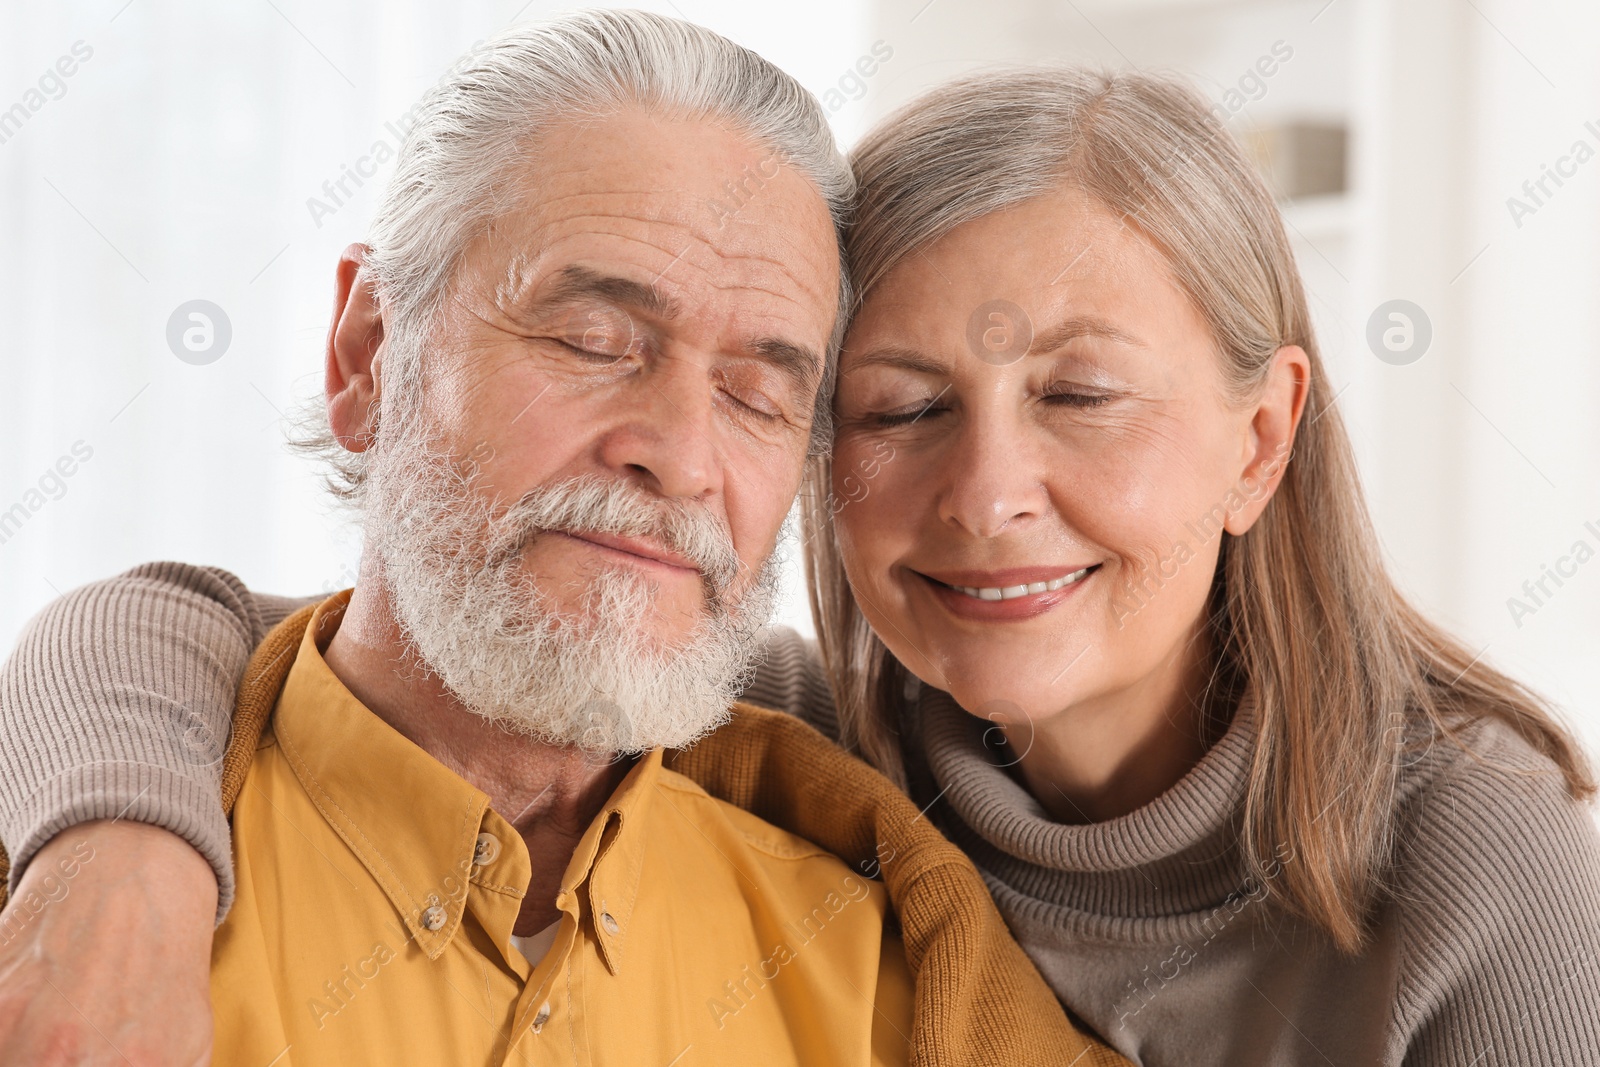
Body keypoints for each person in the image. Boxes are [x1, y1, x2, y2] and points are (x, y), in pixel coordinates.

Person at [7, 59, 1600, 1067]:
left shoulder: (1487, 876)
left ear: (1262, 443)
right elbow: (220, 632)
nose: (986, 495)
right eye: (897, 405)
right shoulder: (801, 738)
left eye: (1081, 394)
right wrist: (117, 851)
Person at [0, 15, 1123, 1067]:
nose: (681, 456)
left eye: (757, 393)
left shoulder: (901, 982)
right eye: (592, 340)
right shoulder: (63, 924)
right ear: (367, 355)